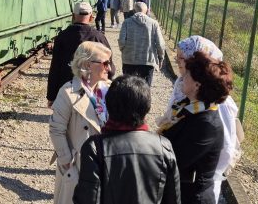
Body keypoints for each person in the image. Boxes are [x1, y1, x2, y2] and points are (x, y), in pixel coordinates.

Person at [157, 36, 240, 203]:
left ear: (197, 85)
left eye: (188, 75)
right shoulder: (189, 107)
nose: (183, 78)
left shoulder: (206, 123)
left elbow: (175, 159)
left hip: (193, 197)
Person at [73, 75, 180, 204]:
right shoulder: (163, 146)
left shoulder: (95, 147)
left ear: (109, 105)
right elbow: (173, 198)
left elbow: (88, 198)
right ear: (146, 108)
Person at [49, 41, 113, 204]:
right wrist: (66, 161)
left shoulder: (110, 89)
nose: (109, 68)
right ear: (87, 64)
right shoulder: (67, 92)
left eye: (109, 63)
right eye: (105, 63)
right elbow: (56, 129)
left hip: (104, 163)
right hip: (77, 166)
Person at [46, 2, 115, 107]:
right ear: (91, 17)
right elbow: (109, 67)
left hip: (66, 91)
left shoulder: (62, 36)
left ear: (73, 16)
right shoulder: (98, 37)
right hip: (92, 90)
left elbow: (55, 68)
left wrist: (51, 96)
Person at [117, 2, 165, 86]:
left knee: (128, 86)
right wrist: (161, 58)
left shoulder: (127, 22)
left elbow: (121, 41)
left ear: (134, 11)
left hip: (129, 59)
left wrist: (124, 50)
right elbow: (160, 44)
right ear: (147, 11)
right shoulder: (154, 23)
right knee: (145, 87)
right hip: (147, 60)